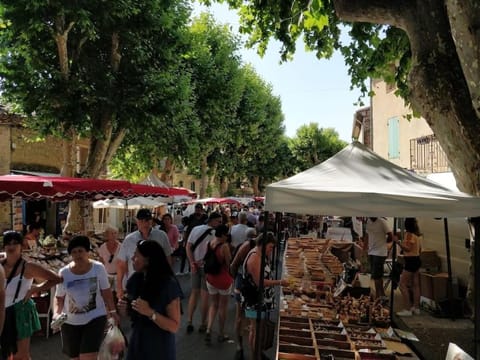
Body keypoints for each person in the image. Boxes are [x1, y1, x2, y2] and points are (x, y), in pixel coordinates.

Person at [55, 235, 119, 360]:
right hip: (70, 322)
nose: (78, 255)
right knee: (75, 357)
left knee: (88, 356)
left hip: (95, 318)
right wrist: (56, 314)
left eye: (80, 251)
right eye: (74, 252)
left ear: (87, 252)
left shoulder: (98, 268)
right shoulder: (64, 273)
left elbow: (106, 291)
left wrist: (113, 311)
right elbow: (59, 297)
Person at [1, 230, 62, 360]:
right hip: (1, 312)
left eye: (15, 243)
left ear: (21, 246)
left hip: (20, 311)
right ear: (4, 246)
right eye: (8, 244)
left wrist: (35, 289)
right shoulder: (0, 265)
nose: (11, 247)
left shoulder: (28, 267)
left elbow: (57, 279)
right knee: (5, 353)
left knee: (21, 355)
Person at [117, 240, 182, 360]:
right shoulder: (136, 279)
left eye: (136, 256)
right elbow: (130, 313)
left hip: (159, 347)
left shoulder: (168, 284)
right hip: (138, 343)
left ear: (148, 260)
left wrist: (150, 313)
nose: (132, 258)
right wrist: (124, 309)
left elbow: (174, 326)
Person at [243, 232, 288, 360]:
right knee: (255, 330)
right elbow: (259, 282)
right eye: (270, 247)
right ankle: (255, 356)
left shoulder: (260, 254)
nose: (272, 250)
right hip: (254, 300)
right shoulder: (255, 258)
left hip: (259, 299)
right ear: (262, 244)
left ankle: (257, 353)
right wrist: (279, 282)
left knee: (256, 329)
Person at [116, 208, 172, 299]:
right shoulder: (129, 239)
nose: (145, 223)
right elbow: (121, 264)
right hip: (135, 285)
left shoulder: (161, 236)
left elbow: (168, 260)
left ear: (151, 221)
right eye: (141, 220)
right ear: (137, 221)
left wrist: (169, 282)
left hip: (157, 284)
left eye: (147, 220)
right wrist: (119, 287)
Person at [185, 212, 222, 334]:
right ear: (212, 221)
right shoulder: (215, 234)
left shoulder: (195, 229)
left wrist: (191, 262)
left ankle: (189, 321)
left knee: (194, 293)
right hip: (206, 267)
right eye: (219, 221)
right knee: (204, 295)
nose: (220, 224)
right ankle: (203, 323)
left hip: (194, 265)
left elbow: (188, 246)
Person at [230, 227, 257, 360]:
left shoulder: (256, 248)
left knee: (250, 318)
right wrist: (238, 281)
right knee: (241, 317)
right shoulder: (247, 247)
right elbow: (233, 266)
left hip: (249, 288)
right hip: (243, 286)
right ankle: (240, 347)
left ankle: (250, 350)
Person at [204, 224, 233, 345]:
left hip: (210, 278)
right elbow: (228, 262)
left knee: (213, 305)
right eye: (227, 234)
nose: (228, 236)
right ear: (222, 235)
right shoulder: (224, 246)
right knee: (222, 307)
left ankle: (209, 329)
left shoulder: (210, 243)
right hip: (223, 279)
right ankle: (221, 333)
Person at [396, 218, 422, 316]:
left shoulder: (409, 235)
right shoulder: (417, 236)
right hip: (417, 260)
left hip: (410, 261)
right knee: (416, 285)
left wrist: (398, 242)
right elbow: (420, 250)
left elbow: (408, 248)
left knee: (402, 284)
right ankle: (416, 307)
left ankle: (407, 309)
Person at [365, 217, 394, 299]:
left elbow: (390, 235)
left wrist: (385, 245)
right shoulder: (368, 221)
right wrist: (364, 249)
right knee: (378, 275)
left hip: (380, 253)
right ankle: (382, 294)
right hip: (371, 251)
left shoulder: (382, 222)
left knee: (376, 276)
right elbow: (367, 235)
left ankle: (378, 295)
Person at [98, 225, 121, 297]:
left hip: (118, 276)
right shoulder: (102, 247)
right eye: (112, 233)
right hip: (107, 275)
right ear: (107, 235)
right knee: (108, 296)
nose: (114, 235)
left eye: (115, 233)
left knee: (118, 296)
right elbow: (101, 262)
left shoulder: (121, 247)